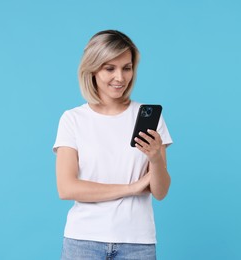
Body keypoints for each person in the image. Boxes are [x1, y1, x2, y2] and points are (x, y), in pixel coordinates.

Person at [53, 30, 173, 260]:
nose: (120, 77)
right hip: (83, 242)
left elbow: (160, 191)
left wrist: (156, 159)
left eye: (126, 68)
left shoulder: (149, 118)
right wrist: (132, 187)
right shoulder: (73, 119)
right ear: (93, 69)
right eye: (110, 68)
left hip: (137, 243)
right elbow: (67, 188)